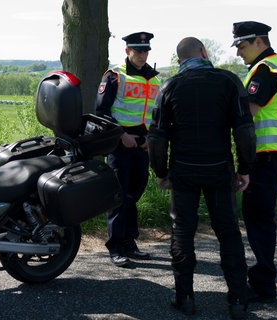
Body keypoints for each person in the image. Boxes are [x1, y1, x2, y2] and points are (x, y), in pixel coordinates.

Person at [148, 37, 256, 319]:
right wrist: (245, 168)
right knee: (228, 232)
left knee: (182, 231)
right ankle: (238, 301)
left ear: (180, 59)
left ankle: (184, 298)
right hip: (219, 169)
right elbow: (244, 131)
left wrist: (161, 172)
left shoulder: (169, 86)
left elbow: (157, 137)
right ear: (204, 52)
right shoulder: (229, 82)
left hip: (183, 170)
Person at [231, 21, 277, 304]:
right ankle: (263, 280)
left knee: (258, 220)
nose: (238, 53)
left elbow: (249, 110)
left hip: (266, 155)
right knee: (260, 218)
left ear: (259, 42)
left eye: (242, 46)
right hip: (276, 154)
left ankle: (262, 285)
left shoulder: (266, 70)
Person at [95, 31, 161, 268]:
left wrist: (149, 139)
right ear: (127, 51)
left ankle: (130, 243)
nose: (143, 55)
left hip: (142, 146)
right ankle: (115, 247)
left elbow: (157, 115)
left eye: (146, 51)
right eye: (138, 51)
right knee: (119, 197)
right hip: (120, 145)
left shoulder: (155, 79)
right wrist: (121, 135)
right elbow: (101, 112)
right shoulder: (114, 76)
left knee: (134, 196)